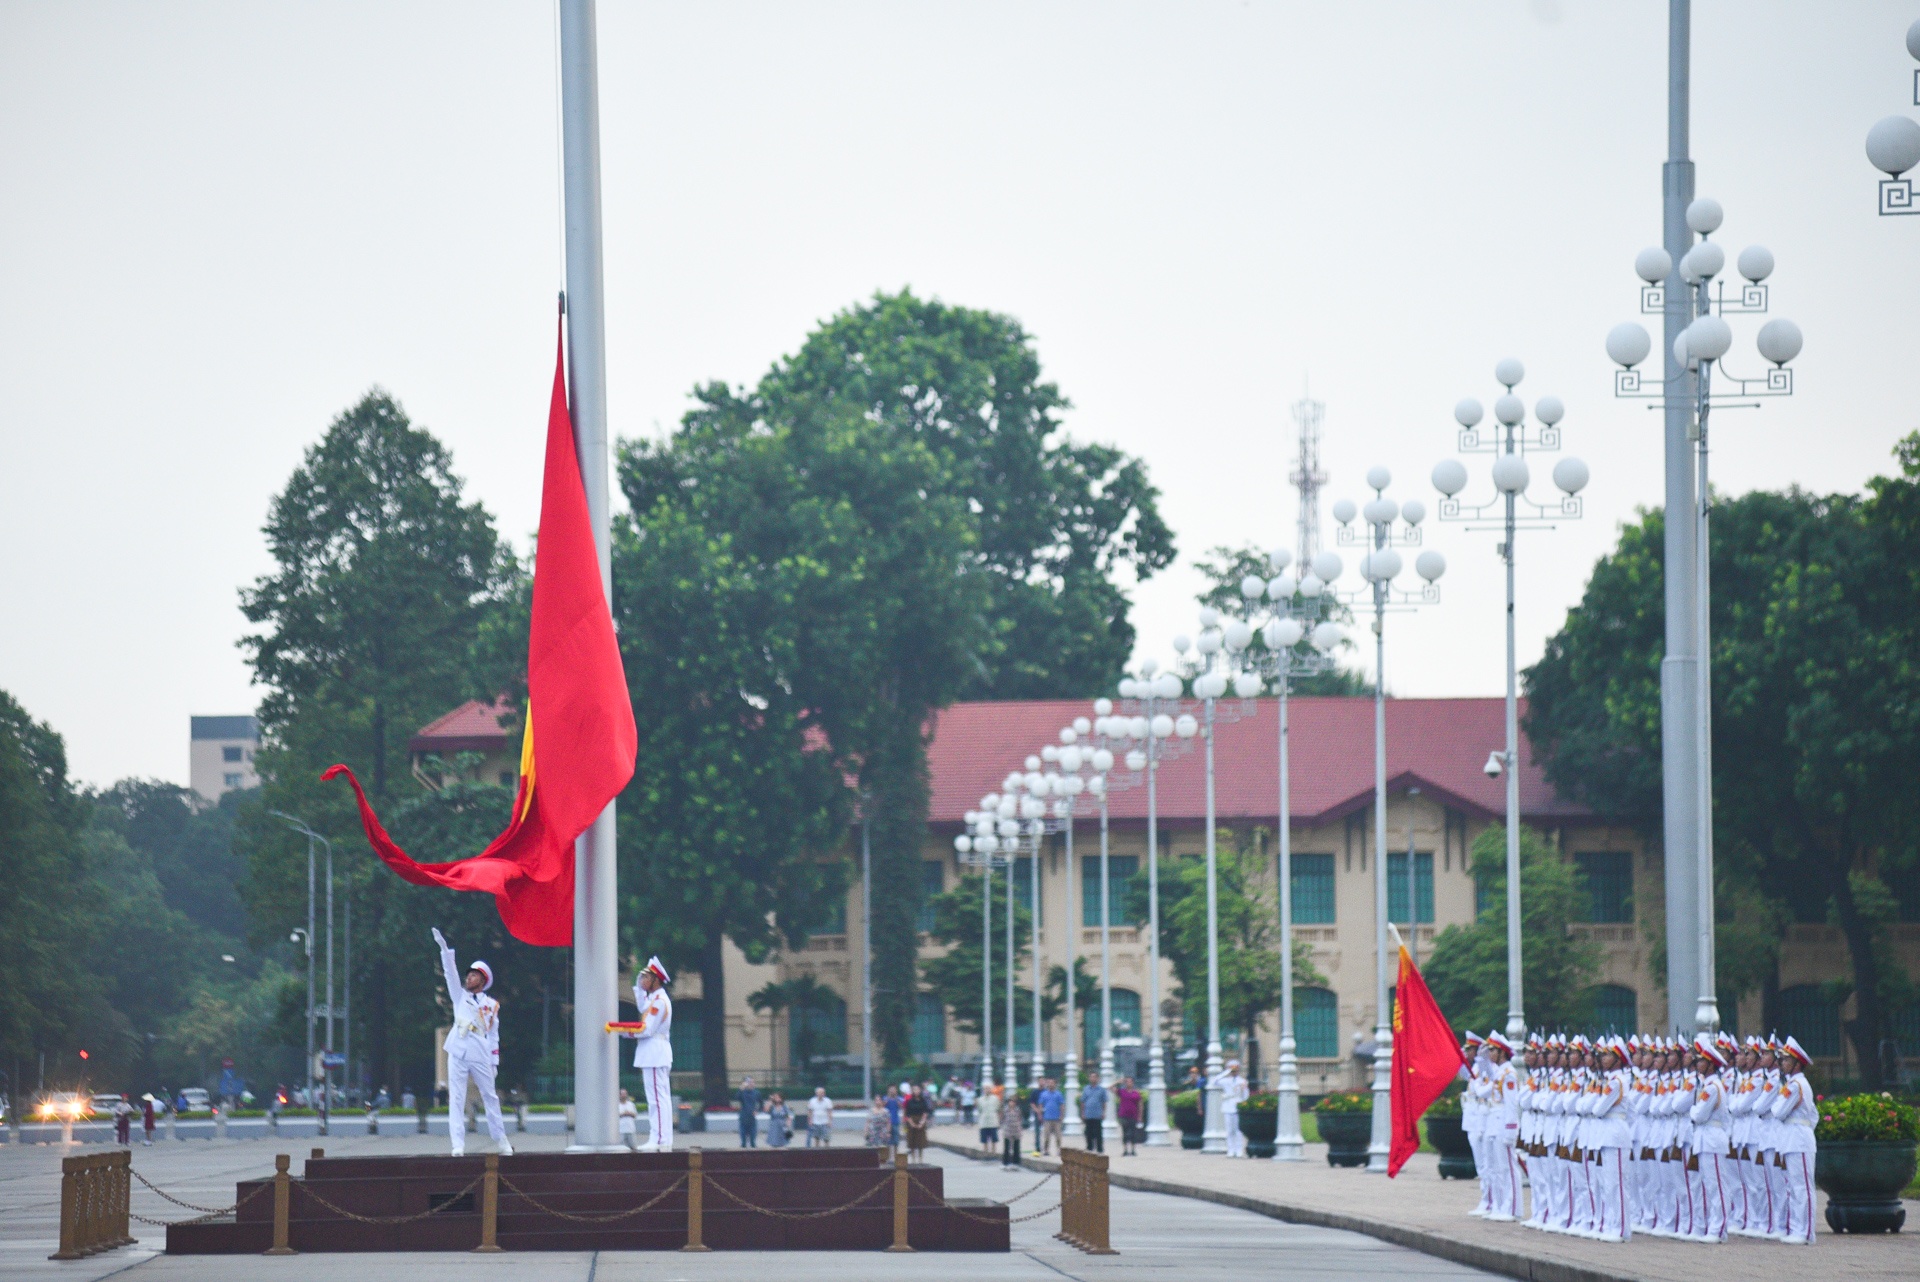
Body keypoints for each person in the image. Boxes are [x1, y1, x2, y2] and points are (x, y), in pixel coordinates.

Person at [433, 927, 512, 1158]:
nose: (469, 977)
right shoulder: (460, 996)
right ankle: (457, 1144)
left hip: (479, 1050)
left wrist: (494, 1061)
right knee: (456, 1098)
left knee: (490, 1096)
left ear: (483, 980)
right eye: (468, 974)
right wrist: (445, 951)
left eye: (474, 975)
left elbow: (494, 1034)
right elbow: (450, 974)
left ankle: (501, 1139)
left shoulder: (491, 1005)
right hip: (458, 1048)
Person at [1772, 1035, 1817, 1246]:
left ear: (1797, 1064)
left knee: (1802, 1187)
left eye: (1787, 1060)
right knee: (1794, 1186)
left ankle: (1806, 1231)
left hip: (1798, 1138)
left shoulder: (1795, 1085)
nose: (1782, 1063)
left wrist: (1801, 1127)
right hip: (1793, 1137)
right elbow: (1814, 1115)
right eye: (1782, 1060)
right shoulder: (1794, 1084)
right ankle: (1797, 1227)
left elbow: (1778, 1111)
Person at [630, 955, 674, 1152]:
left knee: (657, 1099)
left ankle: (659, 1139)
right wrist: (639, 990)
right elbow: (642, 1007)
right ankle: (660, 1137)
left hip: (655, 1052)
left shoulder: (659, 1002)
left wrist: (622, 1032)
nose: (642, 980)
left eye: (646, 977)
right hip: (654, 1052)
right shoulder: (655, 999)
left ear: (656, 980)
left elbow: (646, 1029)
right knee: (657, 1098)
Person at [1218, 1060, 1248, 1157]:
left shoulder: (1242, 1081)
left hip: (1237, 1106)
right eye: (1232, 1070)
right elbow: (1215, 1081)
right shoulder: (1225, 1081)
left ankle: (1239, 1150)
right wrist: (1226, 1072)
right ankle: (1231, 1150)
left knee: (1238, 1130)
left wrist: (1243, 1089)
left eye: (1235, 1070)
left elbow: (1245, 1096)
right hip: (1227, 1106)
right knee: (1229, 1130)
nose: (1234, 1072)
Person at [1079, 1076, 1108, 1153]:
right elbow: (1082, 1101)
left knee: (1098, 1132)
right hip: (1088, 1114)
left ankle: (1099, 1148)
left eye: (1094, 1077)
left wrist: (1103, 1112)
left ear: (1098, 1079)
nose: (1093, 1079)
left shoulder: (1101, 1090)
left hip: (1097, 1114)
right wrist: (1082, 1113)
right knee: (1088, 1132)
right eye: (1091, 1077)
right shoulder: (1086, 1089)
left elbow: (1104, 1102)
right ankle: (1089, 1147)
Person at [1114, 1077, 1142, 1156]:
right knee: (1125, 1133)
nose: (1129, 1083)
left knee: (1133, 1133)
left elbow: (1140, 1105)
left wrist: (1140, 1116)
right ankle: (1125, 1149)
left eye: (1130, 1082)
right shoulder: (1122, 1092)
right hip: (1123, 1115)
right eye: (1127, 1082)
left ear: (1133, 1083)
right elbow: (1110, 1088)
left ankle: (1133, 1150)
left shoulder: (1136, 1093)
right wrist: (1118, 1082)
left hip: (1133, 1115)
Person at [904, 1085, 932, 1163]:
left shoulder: (923, 1101)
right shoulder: (909, 1101)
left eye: (917, 1089)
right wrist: (911, 1123)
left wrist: (922, 1122)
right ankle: (913, 1159)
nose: (916, 1091)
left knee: (920, 1140)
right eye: (914, 1089)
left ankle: (920, 1159)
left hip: (921, 1120)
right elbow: (908, 1113)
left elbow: (925, 1112)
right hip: (912, 1120)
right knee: (912, 1140)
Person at [1036, 1078, 1064, 1155]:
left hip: (1056, 1118)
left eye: (1052, 1083)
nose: (1051, 1084)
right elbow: (1040, 1105)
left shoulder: (1058, 1094)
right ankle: (1046, 1150)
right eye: (1049, 1083)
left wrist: (1061, 1115)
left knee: (1058, 1136)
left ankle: (1059, 1150)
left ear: (1055, 1084)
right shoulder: (1044, 1094)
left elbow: (1061, 1105)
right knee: (1047, 1137)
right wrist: (1040, 1115)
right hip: (1047, 1118)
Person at [1001, 1086, 1025, 1168]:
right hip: (1008, 1130)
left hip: (1016, 1130)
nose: (1012, 1103)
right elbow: (1002, 1118)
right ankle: (1005, 1163)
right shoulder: (1005, 1110)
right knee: (1007, 1148)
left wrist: (1020, 1129)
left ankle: (1016, 1163)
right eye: (1010, 1101)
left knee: (1016, 1147)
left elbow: (1020, 1119)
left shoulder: (1018, 1110)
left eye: (1013, 1102)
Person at [977, 1084, 1002, 1153]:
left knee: (994, 1139)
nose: (987, 1090)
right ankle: (985, 1152)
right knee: (984, 1140)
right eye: (985, 1088)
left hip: (993, 1121)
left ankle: (994, 1152)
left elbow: (998, 1110)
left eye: (988, 1088)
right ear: (983, 1090)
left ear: (991, 1089)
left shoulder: (995, 1099)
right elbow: (980, 1110)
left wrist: (999, 1121)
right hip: (984, 1122)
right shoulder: (980, 1099)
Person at [737, 1077, 760, 1148]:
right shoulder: (742, 1092)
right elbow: (737, 1098)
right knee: (743, 1134)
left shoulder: (757, 1093)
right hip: (743, 1115)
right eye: (749, 1082)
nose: (751, 1084)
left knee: (753, 1134)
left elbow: (761, 1104)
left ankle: (753, 1145)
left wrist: (757, 1110)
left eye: (752, 1082)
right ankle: (743, 1144)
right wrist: (741, 1089)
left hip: (752, 1117)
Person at [884, 1085, 903, 1150]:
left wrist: (896, 1098)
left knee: (896, 1140)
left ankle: (896, 1156)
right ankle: (888, 1156)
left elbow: (901, 1107)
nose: (892, 1091)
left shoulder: (899, 1099)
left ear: (896, 1090)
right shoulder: (885, 1098)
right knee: (887, 1140)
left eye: (893, 1089)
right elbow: (883, 1105)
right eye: (891, 1089)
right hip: (886, 1121)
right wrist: (888, 1098)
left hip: (895, 1121)